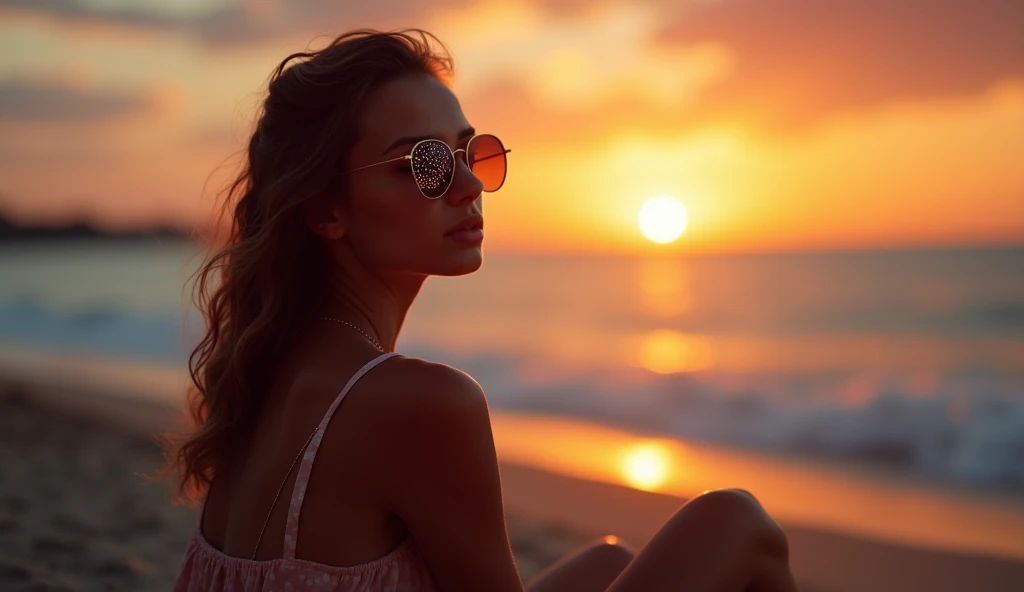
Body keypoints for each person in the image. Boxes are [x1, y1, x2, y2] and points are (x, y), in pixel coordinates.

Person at [166, 28, 799, 592]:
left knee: (610, 563)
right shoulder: (423, 402)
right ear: (326, 210)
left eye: (471, 153)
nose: (469, 184)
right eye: (427, 165)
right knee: (735, 520)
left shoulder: (270, 369)